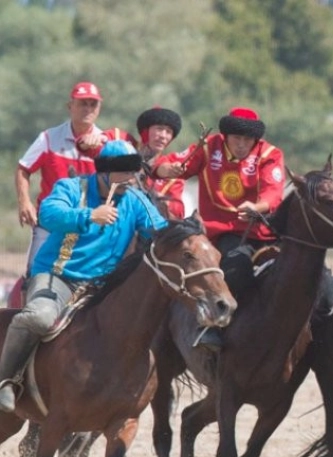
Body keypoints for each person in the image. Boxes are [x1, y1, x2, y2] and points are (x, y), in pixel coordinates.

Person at [0, 141, 167, 412]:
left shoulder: (136, 200)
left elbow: (158, 230)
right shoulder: (71, 188)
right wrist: (90, 215)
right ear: (103, 172)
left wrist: (181, 236)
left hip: (103, 287)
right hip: (58, 276)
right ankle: (6, 380)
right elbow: (48, 213)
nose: (130, 179)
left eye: (133, 172)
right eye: (123, 172)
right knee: (39, 316)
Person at [153, 107, 284, 348]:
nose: (242, 145)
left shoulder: (270, 154)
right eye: (237, 139)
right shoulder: (208, 147)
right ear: (225, 137)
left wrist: (258, 206)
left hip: (266, 230)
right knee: (235, 268)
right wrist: (166, 169)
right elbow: (172, 164)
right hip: (225, 232)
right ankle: (210, 327)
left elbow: (273, 193)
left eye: (248, 140)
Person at [15, 81, 107, 272]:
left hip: (89, 225)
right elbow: (23, 168)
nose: (88, 109)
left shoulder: (106, 142)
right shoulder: (48, 138)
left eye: (93, 104)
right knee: (34, 271)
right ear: (70, 106)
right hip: (51, 223)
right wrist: (24, 201)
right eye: (83, 103)